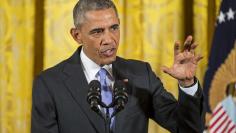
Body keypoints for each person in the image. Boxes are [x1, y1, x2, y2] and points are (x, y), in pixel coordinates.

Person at [31, 0, 205, 133]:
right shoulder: (49, 83)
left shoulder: (141, 74)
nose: (109, 39)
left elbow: (186, 129)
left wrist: (187, 84)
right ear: (77, 35)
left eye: (114, 28)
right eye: (97, 31)